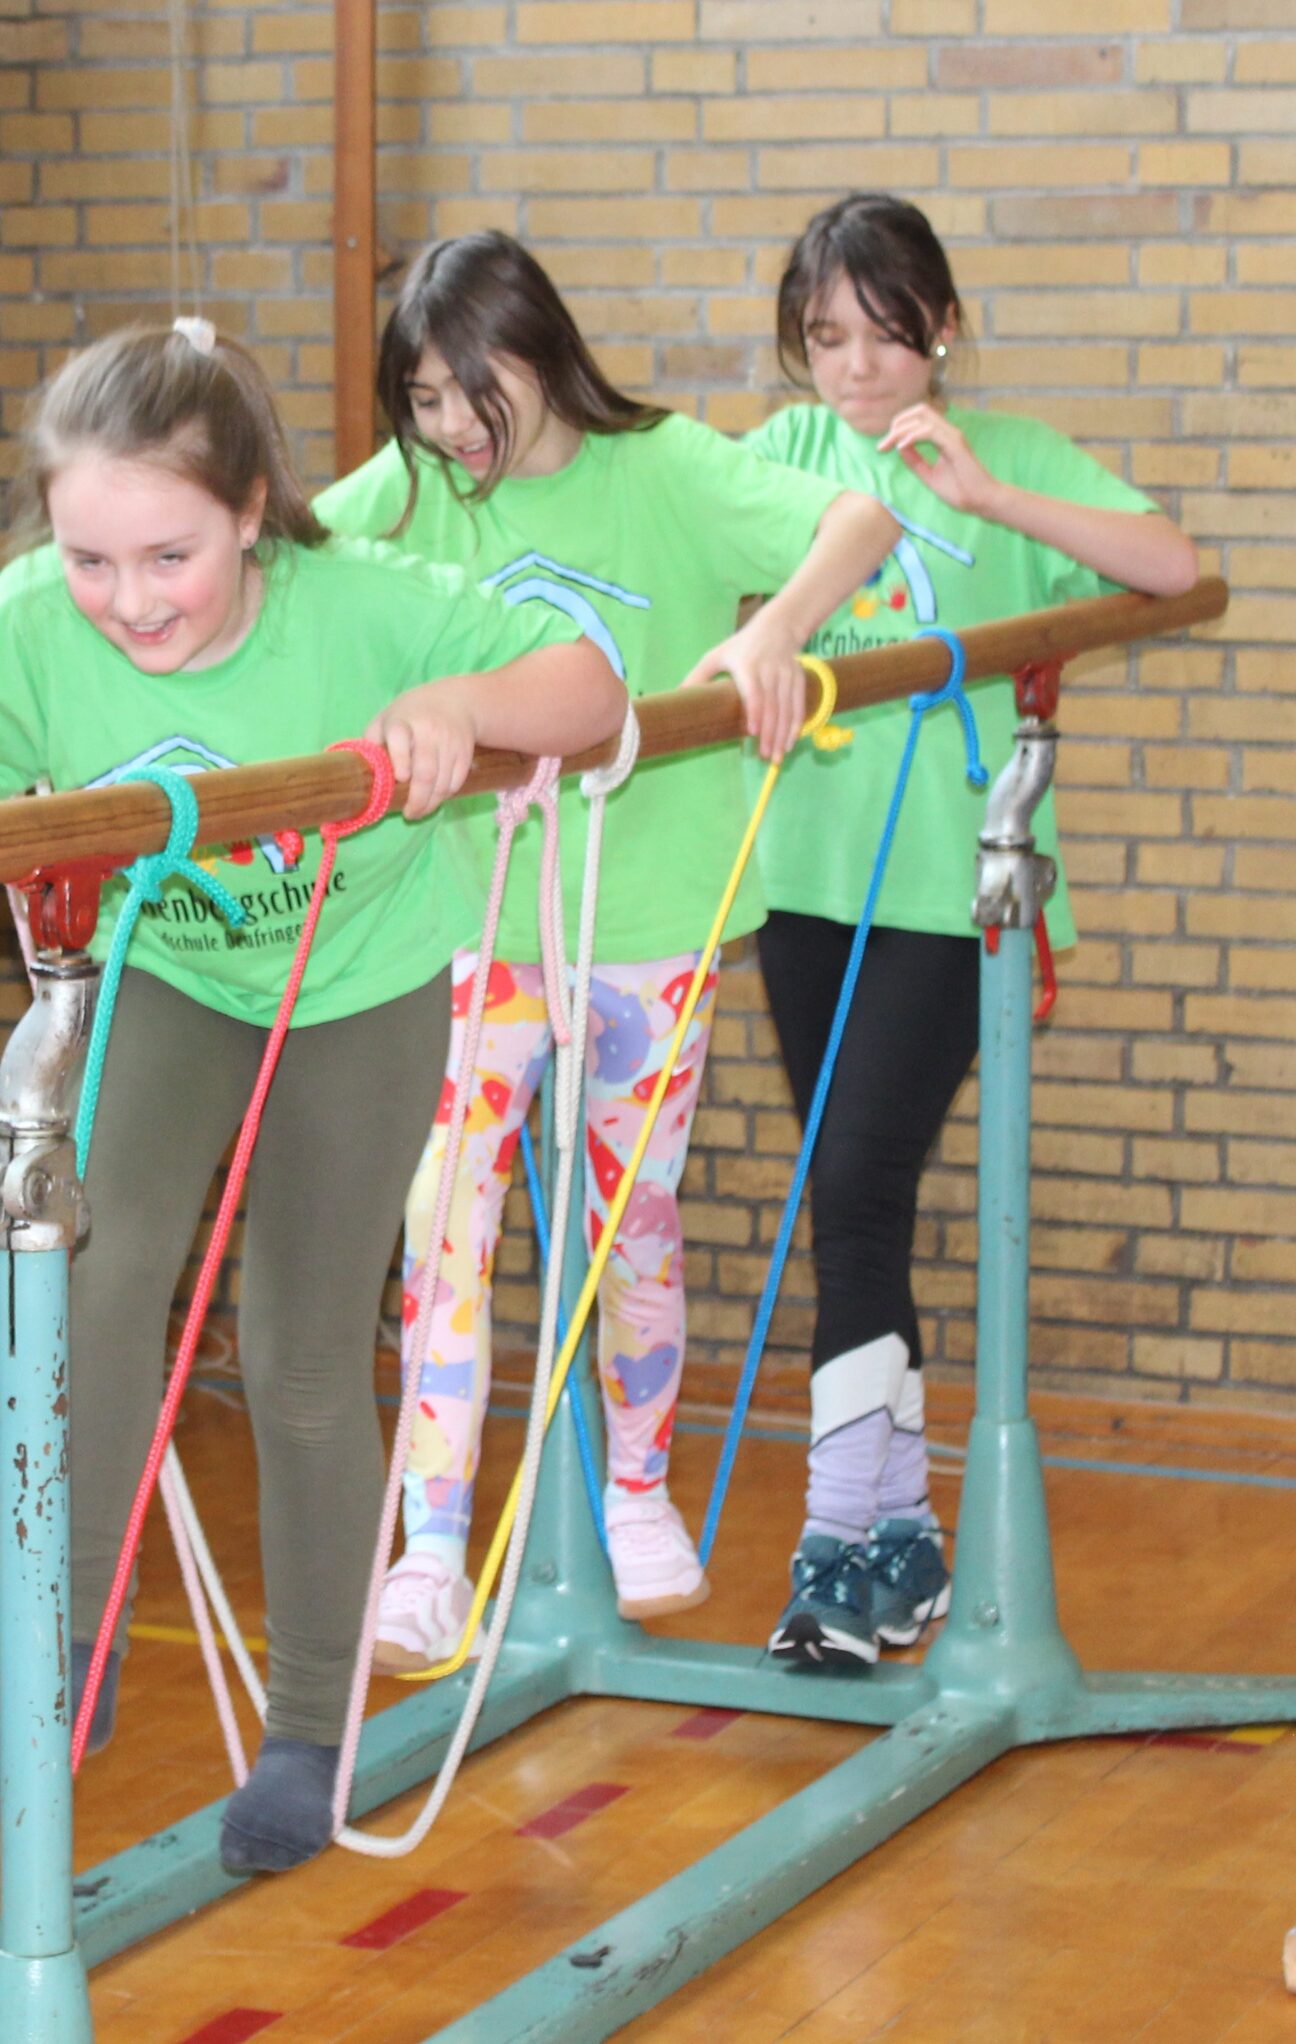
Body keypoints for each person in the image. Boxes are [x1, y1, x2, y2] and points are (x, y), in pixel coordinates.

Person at [0, 318, 623, 1871]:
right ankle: (69, 1646)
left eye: (170, 559)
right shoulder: (32, 624)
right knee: (90, 1276)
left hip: (355, 985)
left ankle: (311, 1726)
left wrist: (464, 709)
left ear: (254, 509)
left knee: (298, 1351)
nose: (128, 602)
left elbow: (591, 688)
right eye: (90, 560)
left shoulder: (358, 612)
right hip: (173, 975)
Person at [316, 231, 899, 1663]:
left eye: (470, 395)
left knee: (629, 1220)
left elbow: (861, 519)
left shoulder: (669, 472)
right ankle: (432, 1540)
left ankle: (637, 1485)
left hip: (648, 931)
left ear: (538, 356)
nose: (451, 430)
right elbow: (291, 566)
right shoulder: (415, 489)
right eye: (425, 401)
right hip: (473, 926)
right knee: (443, 1225)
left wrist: (776, 636)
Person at [748, 192, 1198, 1669]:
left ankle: (837, 1548)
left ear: (941, 328)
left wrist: (992, 497)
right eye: (827, 338)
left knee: (859, 1178)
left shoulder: (1000, 450)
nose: (858, 369)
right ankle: (901, 1544)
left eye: (886, 334)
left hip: (955, 896)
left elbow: (1172, 567)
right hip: (807, 894)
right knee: (853, 1204)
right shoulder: (782, 457)